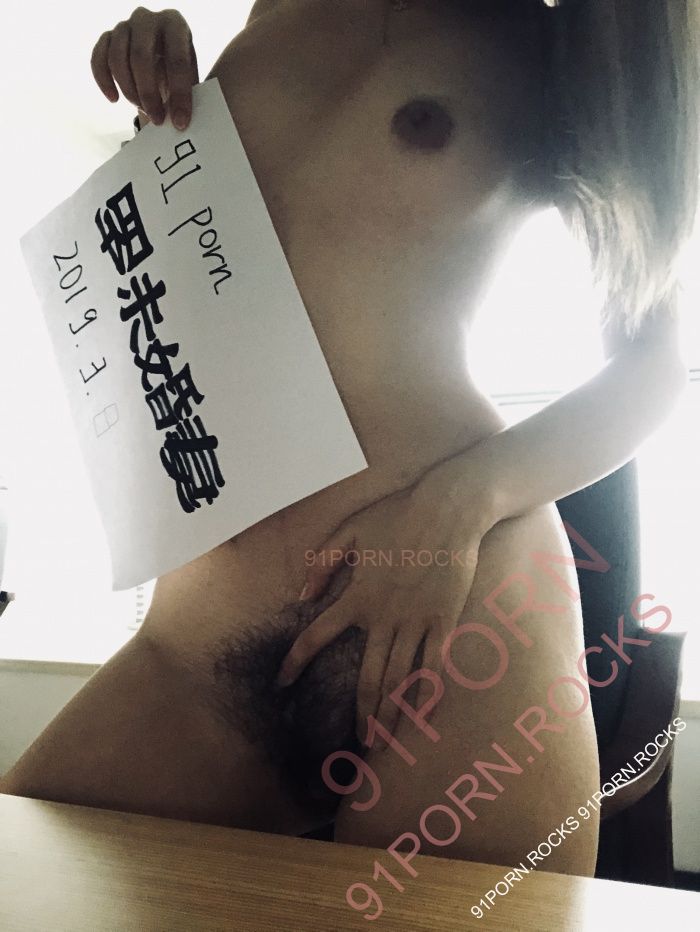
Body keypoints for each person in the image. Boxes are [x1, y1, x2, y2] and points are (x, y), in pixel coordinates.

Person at [2, 1, 697, 882]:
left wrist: (456, 506)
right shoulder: (270, 16)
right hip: (200, 653)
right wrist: (161, 117)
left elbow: (654, 368)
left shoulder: (546, 40)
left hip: (458, 606)